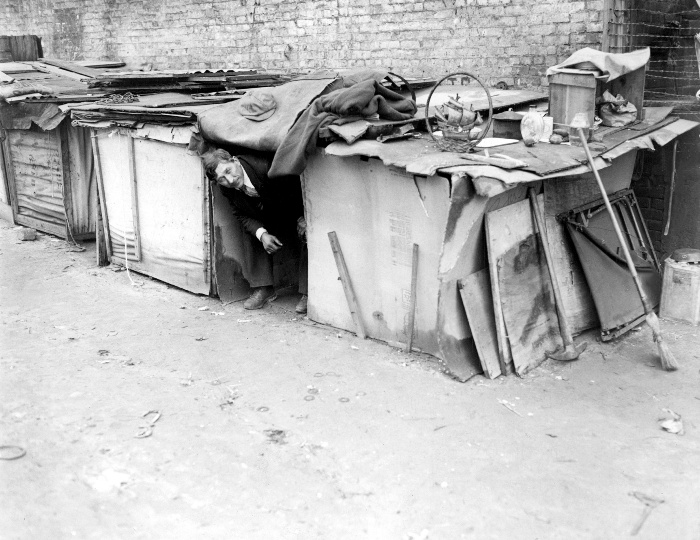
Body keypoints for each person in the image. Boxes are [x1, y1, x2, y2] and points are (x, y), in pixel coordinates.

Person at [202, 149, 308, 313]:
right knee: (253, 229)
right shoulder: (227, 188)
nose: (229, 180)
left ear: (235, 160)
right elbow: (241, 214)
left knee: (308, 232)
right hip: (270, 212)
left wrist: (302, 217)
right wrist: (262, 234)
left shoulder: (265, 167)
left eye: (228, 171)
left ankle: (308, 292)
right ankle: (263, 286)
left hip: (294, 207)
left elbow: (297, 190)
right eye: (221, 179)